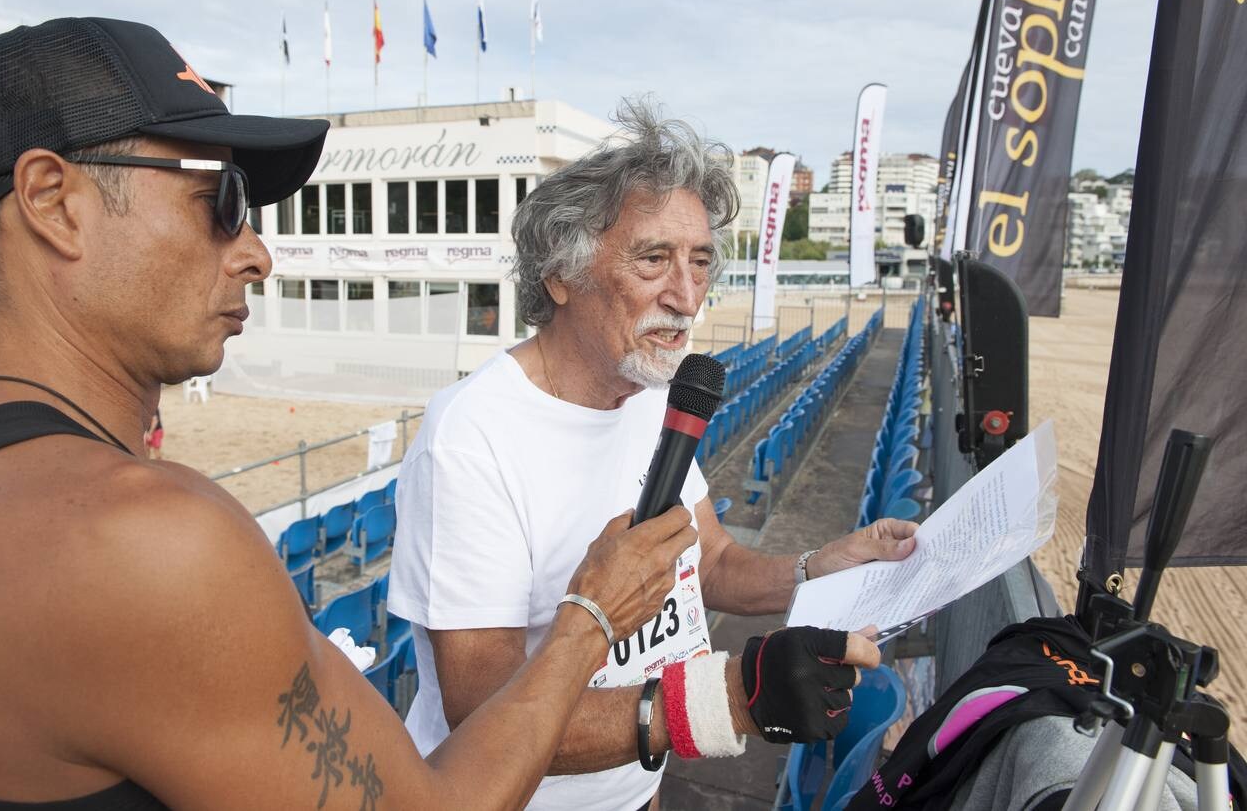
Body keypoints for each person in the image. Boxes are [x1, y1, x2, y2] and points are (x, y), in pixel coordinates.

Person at [0, 17, 699, 811]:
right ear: (52, 200)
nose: (256, 252)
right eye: (220, 199)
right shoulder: (142, 537)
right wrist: (592, 615)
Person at [389, 101, 920, 811]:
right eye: (653, 259)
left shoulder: (647, 391)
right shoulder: (471, 439)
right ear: (560, 274)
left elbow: (713, 563)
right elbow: (484, 712)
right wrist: (722, 701)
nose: (686, 295)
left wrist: (816, 569)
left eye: (700, 261)